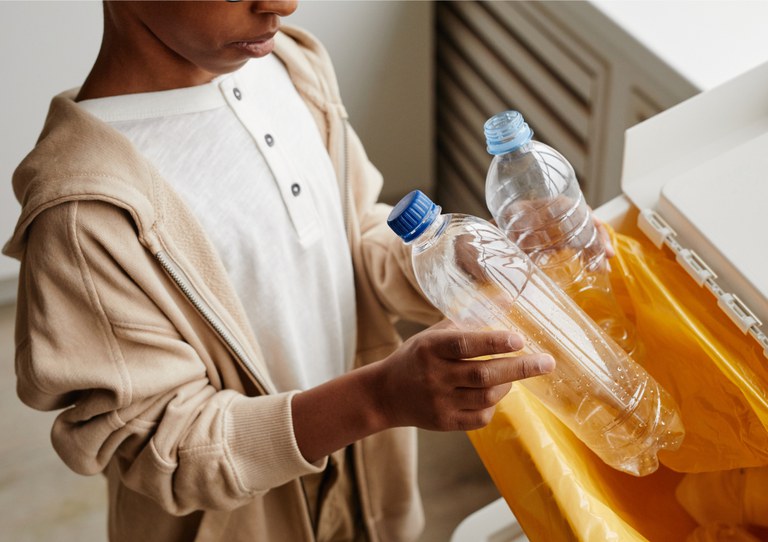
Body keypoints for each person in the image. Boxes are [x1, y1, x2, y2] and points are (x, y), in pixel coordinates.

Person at [2, 2, 556, 541]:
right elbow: (164, 447)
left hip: (367, 477)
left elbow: (348, 234)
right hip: (241, 519)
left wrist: (456, 259)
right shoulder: (84, 211)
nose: (284, 5)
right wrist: (375, 400)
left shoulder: (291, 64)